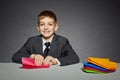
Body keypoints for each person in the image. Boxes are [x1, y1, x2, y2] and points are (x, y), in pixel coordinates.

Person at [12, 10, 79, 66]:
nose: (46, 28)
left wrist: (55, 61)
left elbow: (74, 58)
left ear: (55, 27)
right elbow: (15, 56)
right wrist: (33, 56)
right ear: (38, 28)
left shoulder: (62, 41)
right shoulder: (32, 41)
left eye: (50, 24)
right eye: (42, 24)